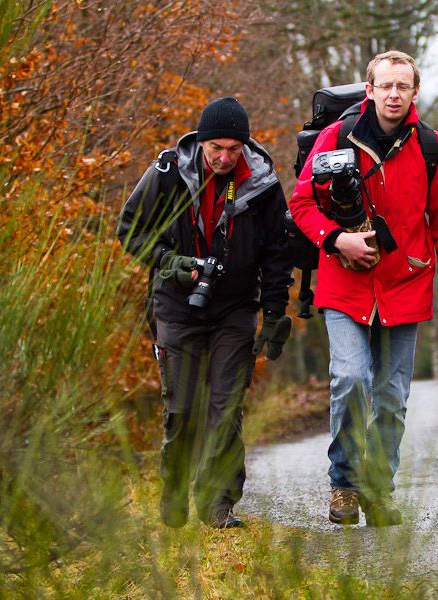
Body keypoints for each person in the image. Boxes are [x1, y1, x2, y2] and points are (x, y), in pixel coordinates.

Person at [289, 51, 438, 527]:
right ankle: (345, 486)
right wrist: (338, 238)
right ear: (369, 90)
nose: (394, 94)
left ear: (415, 92)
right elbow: (302, 203)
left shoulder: (434, 148)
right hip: (343, 286)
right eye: (385, 86)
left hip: (405, 285)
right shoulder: (334, 138)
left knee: (390, 396)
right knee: (350, 379)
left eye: (402, 87)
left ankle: (379, 490)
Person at [117, 97, 294, 529]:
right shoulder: (168, 172)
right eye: (216, 147)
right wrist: (170, 263)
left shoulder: (263, 183)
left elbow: (276, 254)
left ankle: (218, 503)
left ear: (245, 147)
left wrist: (274, 313)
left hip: (235, 307)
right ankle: (174, 490)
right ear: (200, 142)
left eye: (234, 149)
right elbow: (130, 229)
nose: (224, 157)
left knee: (225, 405)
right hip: (178, 305)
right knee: (182, 409)